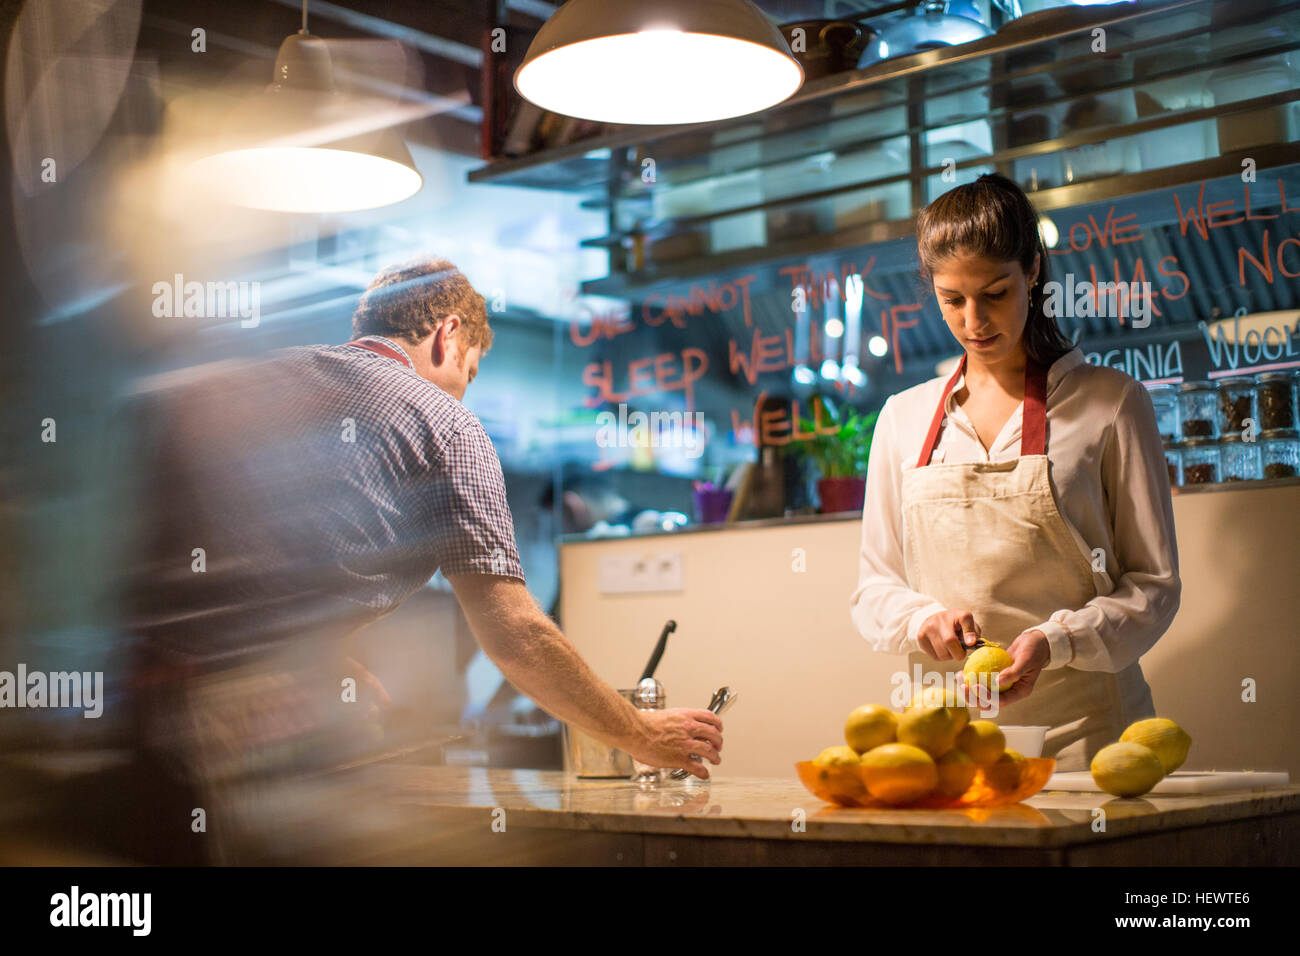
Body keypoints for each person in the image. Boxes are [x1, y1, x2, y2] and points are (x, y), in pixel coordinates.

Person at [122, 257, 722, 862]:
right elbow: (514, 634)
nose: (466, 387)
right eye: (471, 371)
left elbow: (254, 549)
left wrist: (320, 652)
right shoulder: (447, 426)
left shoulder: (262, 378)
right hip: (254, 742)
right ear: (449, 335)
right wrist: (640, 732)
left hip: (126, 713)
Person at [849, 174, 1180, 772]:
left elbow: (1154, 584)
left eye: (995, 293)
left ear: (1031, 271)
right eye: (953, 299)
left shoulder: (1111, 402)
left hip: (1087, 740)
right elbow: (875, 588)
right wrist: (924, 619)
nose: (974, 320)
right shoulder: (902, 418)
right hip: (942, 744)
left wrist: (1056, 642)